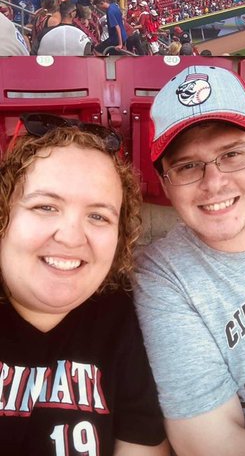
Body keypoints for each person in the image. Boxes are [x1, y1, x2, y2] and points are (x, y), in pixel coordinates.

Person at [134, 64, 245, 453]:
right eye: (187, 165)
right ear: (164, 182)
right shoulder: (162, 276)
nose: (214, 182)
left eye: (232, 154)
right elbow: (207, 441)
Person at [0, 113, 169, 455]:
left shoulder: (121, 313)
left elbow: (143, 444)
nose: (72, 236)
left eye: (98, 216)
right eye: (45, 206)